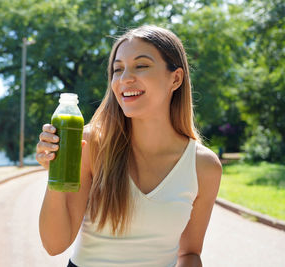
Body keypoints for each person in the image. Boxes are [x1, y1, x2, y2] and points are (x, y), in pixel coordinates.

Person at [36, 25, 222, 267]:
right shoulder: (91, 144)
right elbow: (54, 244)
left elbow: (189, 254)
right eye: (117, 69)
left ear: (175, 78)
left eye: (141, 65)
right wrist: (56, 171)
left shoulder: (204, 166)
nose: (124, 79)